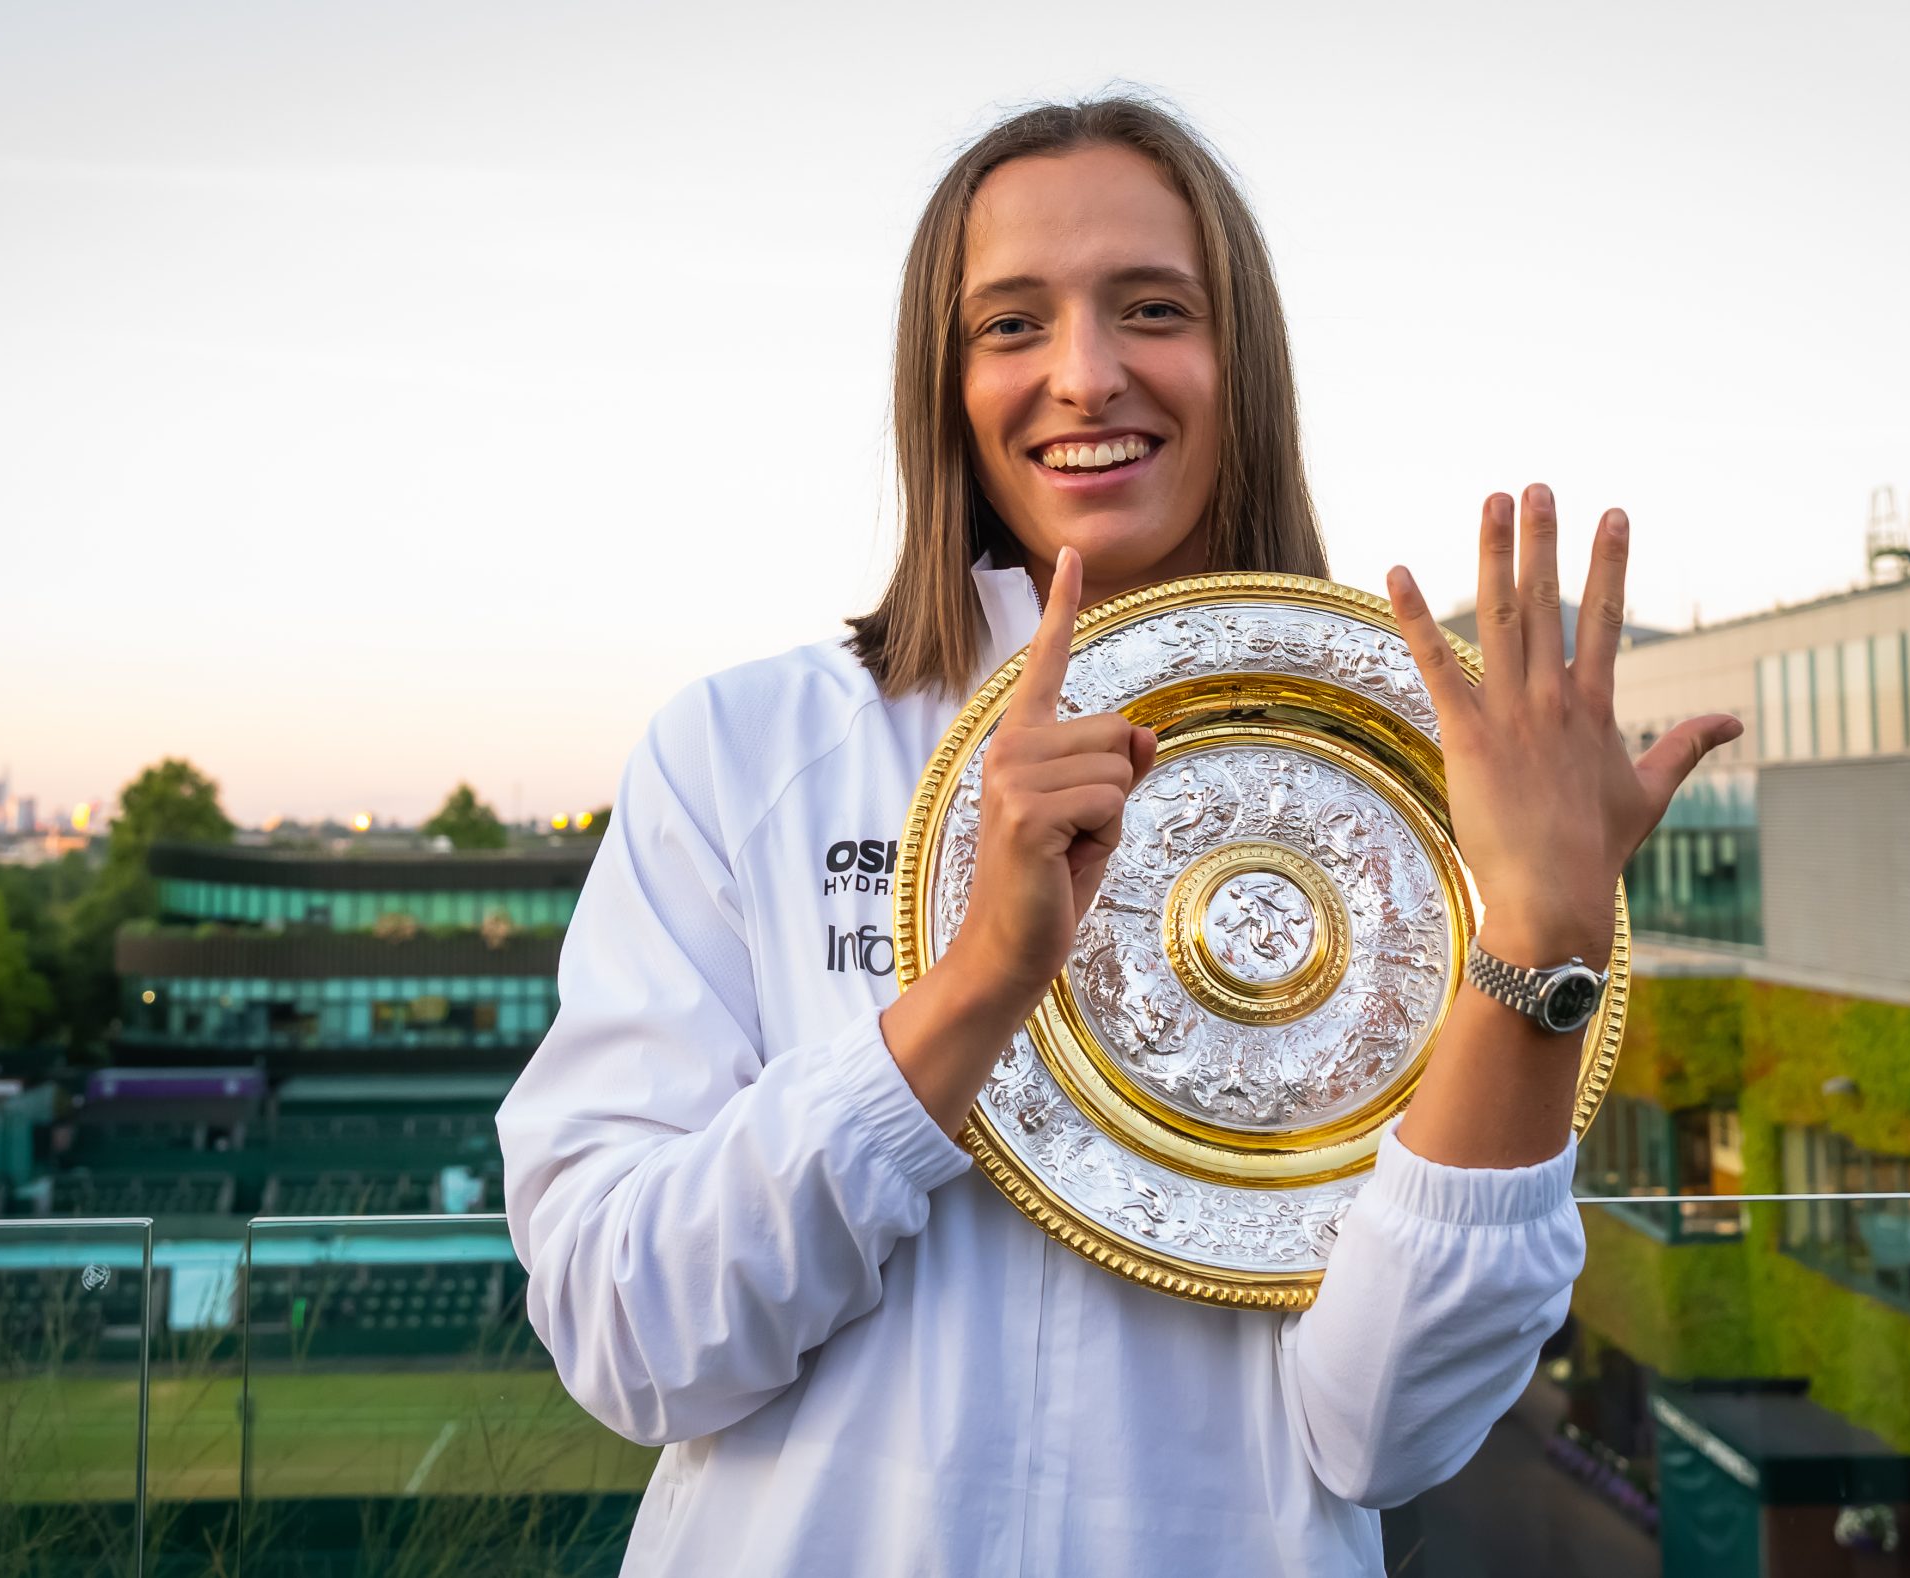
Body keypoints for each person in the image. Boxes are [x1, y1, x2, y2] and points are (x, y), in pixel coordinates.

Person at [498, 94, 1740, 1577]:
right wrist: (968, 991)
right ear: (943, 383)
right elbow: (628, 1338)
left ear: (1245, 362)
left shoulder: (1424, 788)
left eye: (1153, 309)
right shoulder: (747, 751)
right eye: (1010, 325)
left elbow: (1386, 1433)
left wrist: (1534, 944)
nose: (1084, 377)